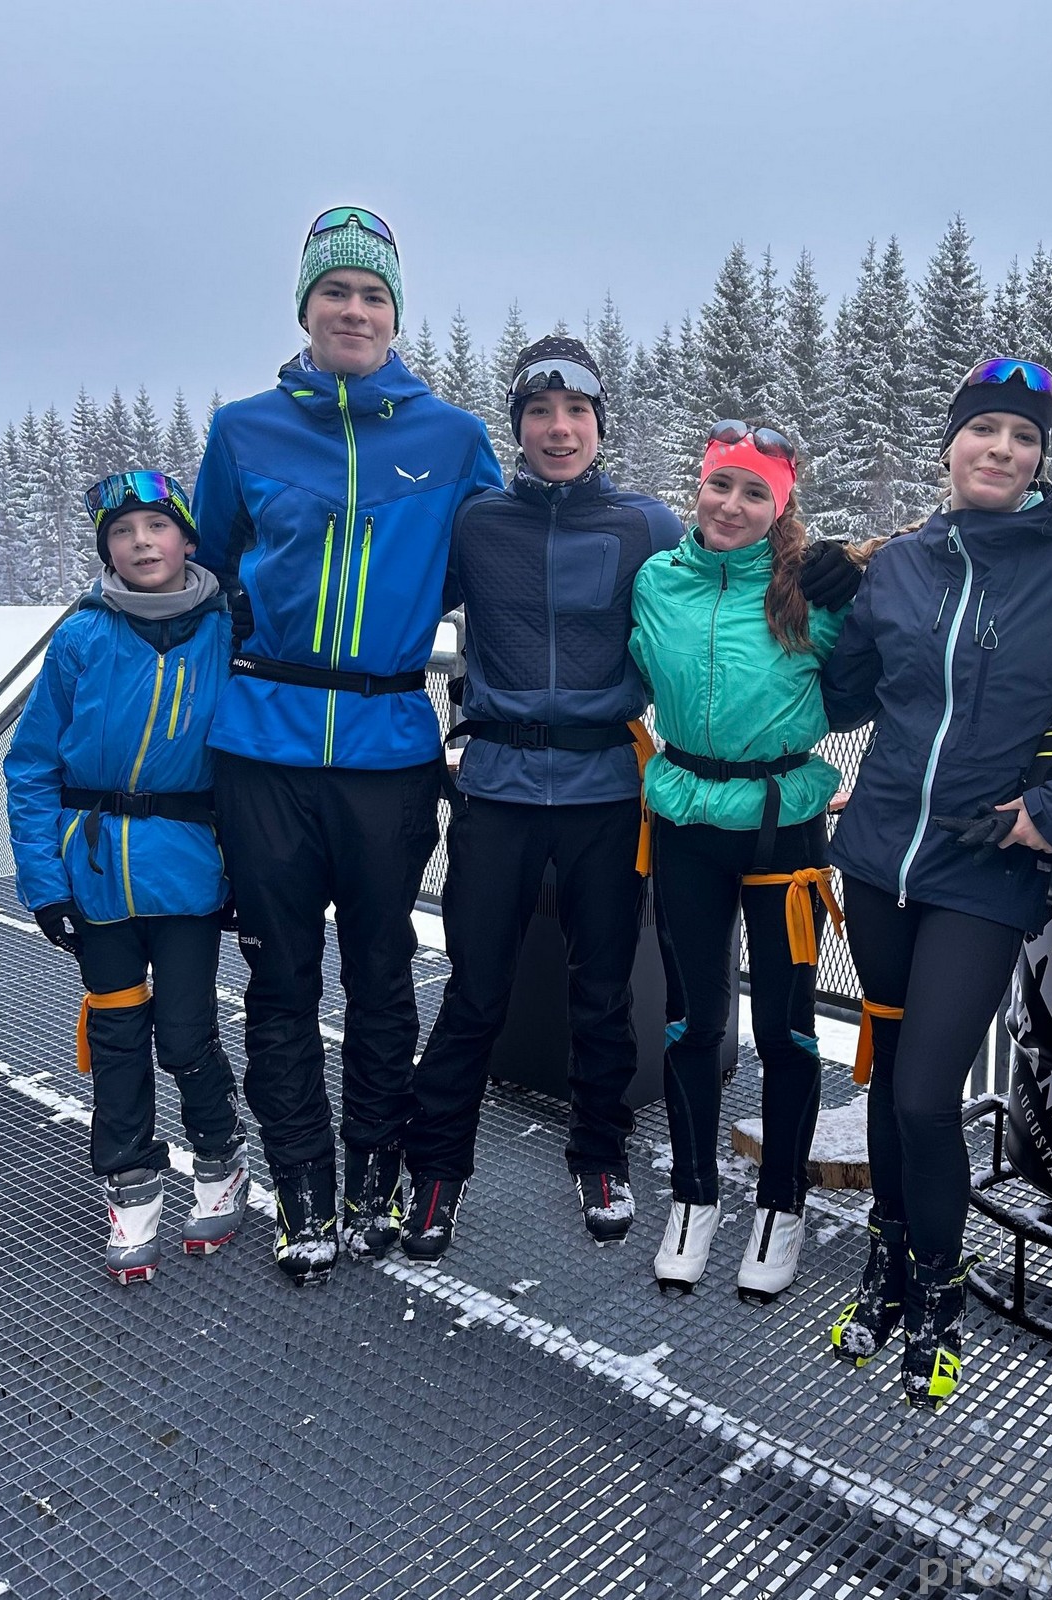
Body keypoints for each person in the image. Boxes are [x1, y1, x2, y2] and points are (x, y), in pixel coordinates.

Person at [191, 207, 501, 1285]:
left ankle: (372, 1170)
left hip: (387, 746)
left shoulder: (451, 440)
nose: (354, 310)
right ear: (306, 309)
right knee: (279, 980)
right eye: (336, 292)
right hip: (263, 747)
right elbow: (205, 572)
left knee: (381, 975)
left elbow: (493, 574)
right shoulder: (243, 430)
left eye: (373, 295)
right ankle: (304, 1186)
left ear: (395, 314)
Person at [820, 360, 1052, 1409]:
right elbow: (844, 697)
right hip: (878, 860)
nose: (1000, 448)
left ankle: (940, 1290)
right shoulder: (903, 562)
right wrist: (821, 602)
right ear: (949, 445)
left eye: (1022, 436)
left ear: (1041, 459)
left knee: (923, 1093)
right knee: (888, 1080)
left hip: (985, 868)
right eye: (983, 430)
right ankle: (887, 1263)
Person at [401, 337, 686, 1256]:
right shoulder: (477, 522)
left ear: (601, 424)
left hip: (607, 789)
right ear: (517, 424)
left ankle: (599, 1152)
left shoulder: (647, 525)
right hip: (499, 786)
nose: (559, 430)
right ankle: (435, 1168)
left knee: (602, 992)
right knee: (475, 989)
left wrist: (830, 579)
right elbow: (393, 595)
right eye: (539, 412)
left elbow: (724, 596)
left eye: (576, 413)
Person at [5, 473, 247, 1284]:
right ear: (106, 550)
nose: (140, 542)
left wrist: (247, 870)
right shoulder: (82, 637)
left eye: (156, 526)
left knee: (184, 1032)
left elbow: (252, 764)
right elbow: (31, 765)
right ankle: (129, 1180)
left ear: (188, 539)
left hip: (188, 869)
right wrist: (44, 883)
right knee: (115, 1031)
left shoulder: (227, 630)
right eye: (121, 531)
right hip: (96, 869)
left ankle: (220, 1158)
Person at [629, 422, 851, 1301]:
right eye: (720, 485)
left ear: (781, 506)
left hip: (782, 824)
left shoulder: (811, 590)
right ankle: (693, 1196)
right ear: (699, 487)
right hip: (684, 817)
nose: (731, 505)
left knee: (788, 1025)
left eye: (755, 492)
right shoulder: (657, 580)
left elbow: (878, 674)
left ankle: (781, 1203)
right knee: (692, 1018)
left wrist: (858, 577)